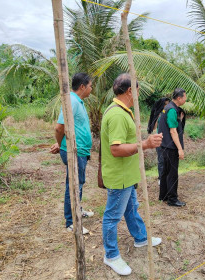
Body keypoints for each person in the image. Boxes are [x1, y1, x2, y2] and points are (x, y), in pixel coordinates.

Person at [101, 73, 163, 276]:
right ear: (130, 91)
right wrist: (144, 145)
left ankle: (141, 238)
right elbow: (116, 149)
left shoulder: (122, 111)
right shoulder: (118, 115)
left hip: (127, 175)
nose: (137, 93)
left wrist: (144, 143)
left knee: (131, 209)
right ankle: (111, 255)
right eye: (137, 90)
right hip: (120, 176)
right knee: (112, 217)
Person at [50, 72, 94, 234]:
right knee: (74, 185)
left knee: (78, 182)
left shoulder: (77, 102)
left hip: (80, 150)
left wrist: (59, 142)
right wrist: (61, 143)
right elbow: (59, 127)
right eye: (90, 86)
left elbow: (70, 127)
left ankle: (78, 210)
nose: (91, 89)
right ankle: (71, 221)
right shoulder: (72, 102)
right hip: (74, 151)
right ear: (82, 86)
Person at [158, 88, 187, 207]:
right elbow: (173, 131)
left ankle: (163, 195)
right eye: (185, 97)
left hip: (164, 145)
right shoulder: (172, 110)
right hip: (171, 147)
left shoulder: (168, 107)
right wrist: (180, 148)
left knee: (165, 171)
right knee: (172, 173)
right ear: (179, 98)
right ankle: (172, 199)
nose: (186, 99)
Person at [147, 97, 171, 185]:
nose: (167, 105)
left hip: (168, 140)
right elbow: (153, 127)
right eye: (165, 104)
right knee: (161, 160)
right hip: (159, 140)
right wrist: (158, 117)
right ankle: (161, 178)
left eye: (168, 103)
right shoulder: (159, 114)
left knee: (168, 160)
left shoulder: (170, 113)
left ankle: (167, 178)